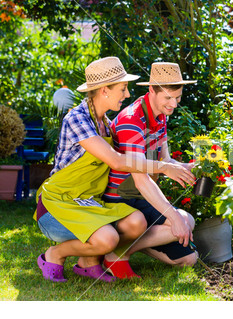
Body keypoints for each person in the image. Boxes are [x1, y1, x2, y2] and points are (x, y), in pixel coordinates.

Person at [35, 57, 195, 282]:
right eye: (122, 88)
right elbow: (117, 161)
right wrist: (163, 167)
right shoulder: (77, 119)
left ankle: (88, 262)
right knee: (108, 239)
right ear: (104, 91)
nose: (127, 94)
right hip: (58, 206)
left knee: (135, 222)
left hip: (89, 204)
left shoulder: (106, 125)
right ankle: (54, 254)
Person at [102, 62, 198, 278]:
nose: (174, 104)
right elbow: (141, 179)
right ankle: (116, 253)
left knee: (188, 257)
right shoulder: (131, 121)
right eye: (168, 98)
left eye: (178, 97)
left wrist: (192, 168)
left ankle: (124, 248)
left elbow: (165, 159)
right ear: (151, 90)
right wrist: (173, 217)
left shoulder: (161, 115)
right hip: (121, 198)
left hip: (141, 196)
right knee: (179, 221)